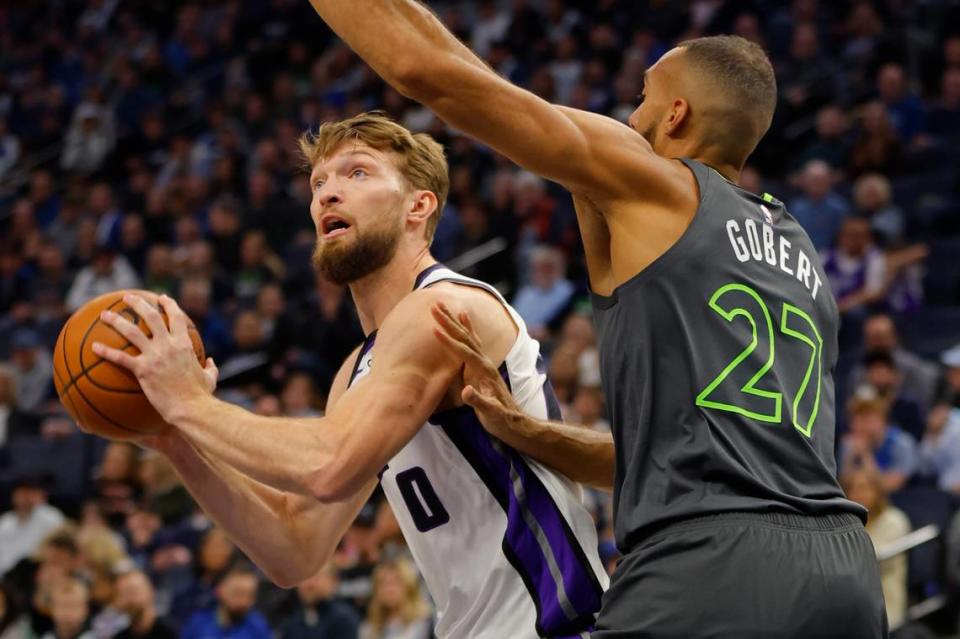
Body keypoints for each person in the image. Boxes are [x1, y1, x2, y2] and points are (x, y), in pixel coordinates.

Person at [298, 4, 883, 634]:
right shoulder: (800, 257)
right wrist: (525, 430)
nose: (630, 115)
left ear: (675, 114)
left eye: (643, 97)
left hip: (710, 565)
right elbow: (659, 456)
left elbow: (436, 74)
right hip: (844, 568)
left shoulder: (654, 182)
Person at [92, 113, 607, 639]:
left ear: (418, 205)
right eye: (318, 183)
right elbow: (293, 550)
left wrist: (190, 404)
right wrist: (179, 440)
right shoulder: (356, 372)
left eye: (356, 173)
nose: (327, 195)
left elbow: (328, 463)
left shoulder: (444, 307)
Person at [842, 467, 911, 630]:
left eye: (863, 488)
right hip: (849, 605)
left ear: (877, 491)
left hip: (885, 607)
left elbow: (872, 564)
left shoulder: (894, 520)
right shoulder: (848, 523)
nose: (856, 495)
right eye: (851, 489)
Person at [180, 567, 270, 639]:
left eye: (249, 595)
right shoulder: (198, 623)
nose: (243, 601)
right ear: (220, 591)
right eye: (237, 593)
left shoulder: (258, 626)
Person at [278, 563, 359, 639]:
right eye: (302, 578)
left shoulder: (343, 620)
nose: (308, 584)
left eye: (315, 577)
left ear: (333, 581)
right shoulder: (292, 621)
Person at [359, 558, 431, 639]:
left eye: (395, 583)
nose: (389, 589)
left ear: (409, 586)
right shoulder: (369, 628)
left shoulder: (424, 621)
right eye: (383, 584)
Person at [112, 570, 175, 639]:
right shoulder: (120, 636)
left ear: (151, 591)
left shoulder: (171, 632)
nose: (128, 600)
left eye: (132, 592)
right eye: (122, 594)